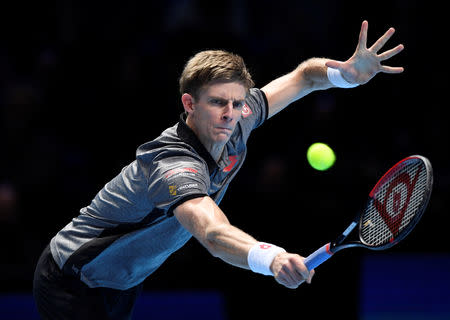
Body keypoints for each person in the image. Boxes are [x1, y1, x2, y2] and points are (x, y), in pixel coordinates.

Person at [33, 20, 404, 319]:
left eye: (237, 102)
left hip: (124, 276)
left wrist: (346, 75)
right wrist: (271, 258)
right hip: (73, 279)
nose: (229, 113)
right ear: (189, 103)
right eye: (216, 103)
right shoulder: (173, 163)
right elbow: (212, 232)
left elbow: (303, 77)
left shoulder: (240, 116)